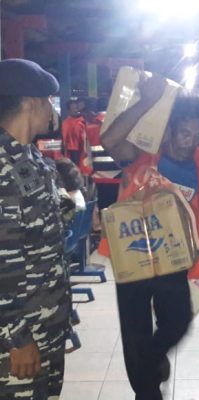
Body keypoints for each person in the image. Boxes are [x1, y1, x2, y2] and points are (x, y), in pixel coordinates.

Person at [100, 74, 199, 400]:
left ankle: (150, 361)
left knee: (178, 321)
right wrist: (148, 100)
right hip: (133, 254)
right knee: (135, 332)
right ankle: (147, 392)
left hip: (172, 259)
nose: (189, 142)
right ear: (169, 129)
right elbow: (110, 141)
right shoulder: (144, 156)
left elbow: (197, 213)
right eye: (184, 133)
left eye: (197, 135)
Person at [0, 59, 71, 399]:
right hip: (18, 337)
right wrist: (17, 337)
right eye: (49, 101)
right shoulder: (3, 168)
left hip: (46, 321)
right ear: (30, 102)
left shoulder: (30, 160)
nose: (53, 110)